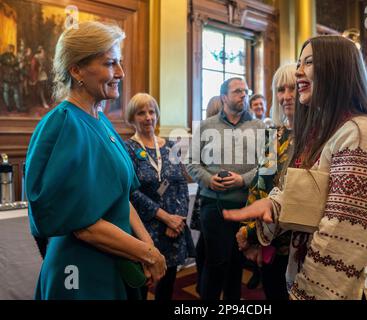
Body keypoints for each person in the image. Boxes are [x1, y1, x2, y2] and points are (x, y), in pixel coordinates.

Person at [223, 35, 367, 300]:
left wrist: (305, 294)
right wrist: (273, 206)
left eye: (308, 62)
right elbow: (309, 192)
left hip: (348, 288)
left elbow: (342, 234)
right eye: (299, 63)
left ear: (337, 69)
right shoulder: (328, 130)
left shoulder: (363, 132)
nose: (298, 72)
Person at [25, 21, 166, 300]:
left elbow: (119, 198)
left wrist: (148, 247)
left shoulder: (100, 120)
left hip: (116, 259)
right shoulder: (64, 124)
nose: (121, 73)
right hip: (80, 270)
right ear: (76, 69)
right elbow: (82, 224)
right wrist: (146, 253)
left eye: (120, 63)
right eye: (110, 63)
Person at [186, 77, 265, 300]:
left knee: (236, 264)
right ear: (224, 98)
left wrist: (242, 180)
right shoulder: (207, 126)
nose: (243, 95)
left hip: (246, 206)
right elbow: (191, 161)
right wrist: (208, 180)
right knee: (216, 262)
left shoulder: (259, 127)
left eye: (246, 91)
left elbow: (267, 167)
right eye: (237, 91)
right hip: (213, 205)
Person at [124, 93, 195, 300]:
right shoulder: (128, 148)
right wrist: (165, 217)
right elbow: (131, 192)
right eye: (141, 113)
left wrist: (179, 219)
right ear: (132, 117)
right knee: (142, 285)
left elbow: (181, 182)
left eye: (151, 111)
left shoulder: (170, 145)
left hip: (173, 229)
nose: (148, 117)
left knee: (167, 285)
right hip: (145, 229)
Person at [238, 63, 297, 300]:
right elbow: (258, 185)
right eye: (280, 90)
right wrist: (253, 232)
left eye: (292, 88)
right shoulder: (274, 134)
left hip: (298, 245)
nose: (286, 96)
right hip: (268, 240)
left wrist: (251, 233)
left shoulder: (317, 135)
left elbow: (295, 196)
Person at [190, 95, 224, 297]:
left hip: (206, 200)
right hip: (214, 203)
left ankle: (202, 284)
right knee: (212, 253)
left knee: (205, 245)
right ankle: (205, 287)